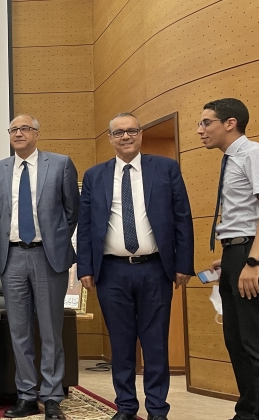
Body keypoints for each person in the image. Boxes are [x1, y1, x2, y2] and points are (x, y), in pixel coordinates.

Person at [77, 113, 194, 420]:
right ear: (110, 138)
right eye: (119, 132)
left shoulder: (166, 168)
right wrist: (85, 268)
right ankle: (126, 407)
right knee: (121, 343)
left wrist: (184, 263)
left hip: (155, 269)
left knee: (155, 343)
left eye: (131, 131)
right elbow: (86, 225)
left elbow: (182, 217)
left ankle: (157, 410)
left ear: (140, 135)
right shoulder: (94, 176)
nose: (125, 136)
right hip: (111, 272)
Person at [0, 115, 79, 420]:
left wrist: (53, 240)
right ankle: (27, 394)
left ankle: (52, 395)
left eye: (25, 128)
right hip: (13, 256)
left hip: (47, 256)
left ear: (38, 133)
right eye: (13, 129)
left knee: (51, 330)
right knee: (19, 331)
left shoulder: (60, 164)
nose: (18, 133)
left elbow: (71, 211)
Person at [201, 98, 259, 420]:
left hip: (256, 254)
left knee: (258, 344)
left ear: (230, 123)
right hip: (239, 250)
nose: (200, 130)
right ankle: (247, 412)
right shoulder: (231, 159)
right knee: (237, 342)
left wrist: (252, 261)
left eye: (206, 122)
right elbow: (245, 214)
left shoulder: (255, 154)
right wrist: (232, 256)